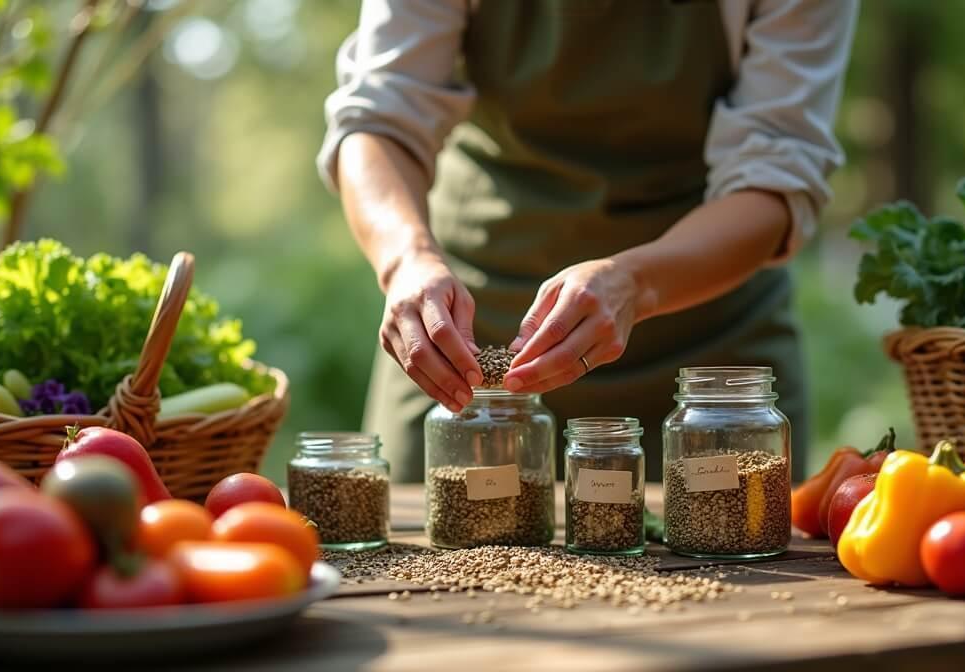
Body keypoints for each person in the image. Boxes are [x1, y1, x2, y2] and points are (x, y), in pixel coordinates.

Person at [317, 0, 857, 483]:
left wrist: (637, 283)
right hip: (466, 347)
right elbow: (380, 120)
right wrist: (407, 262)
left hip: (709, 369)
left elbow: (776, 173)